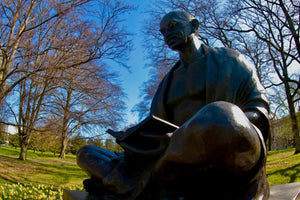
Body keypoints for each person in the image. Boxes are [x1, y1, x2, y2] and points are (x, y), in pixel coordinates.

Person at [77, 11, 270, 200]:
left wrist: (227, 123)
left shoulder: (231, 61)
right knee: (87, 153)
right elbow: (156, 130)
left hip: (221, 148)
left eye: (172, 26)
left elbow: (258, 109)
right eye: (162, 32)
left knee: (222, 114)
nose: (167, 34)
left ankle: (134, 184)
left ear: (194, 26)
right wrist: (133, 137)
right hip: (172, 154)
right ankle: (148, 182)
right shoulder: (167, 84)